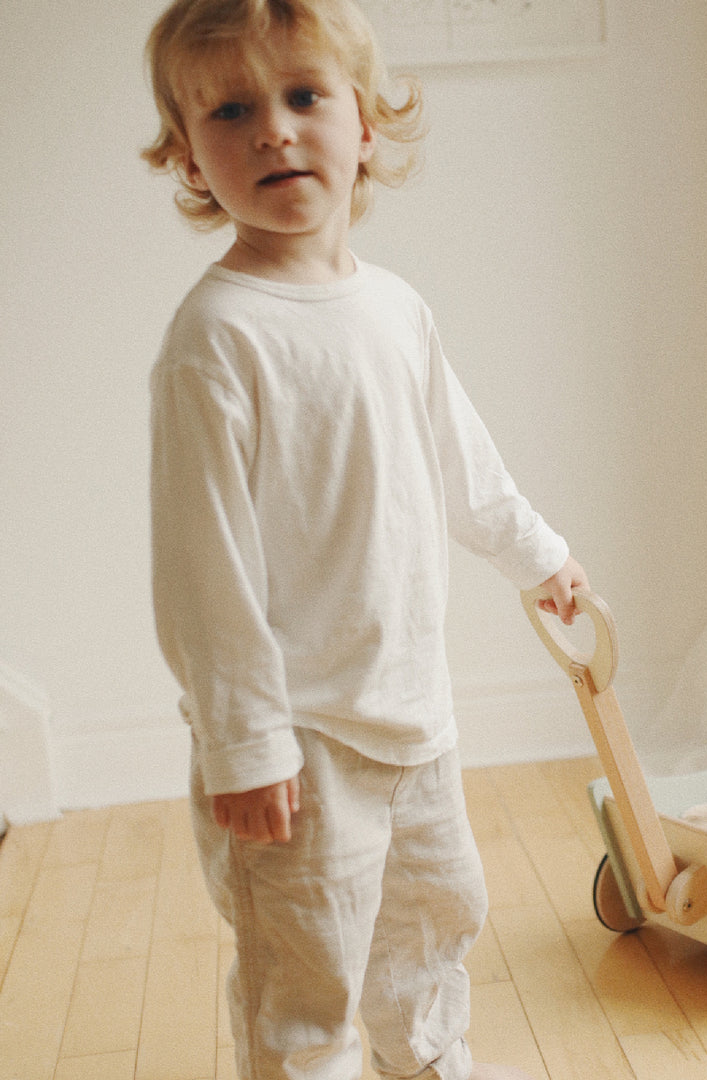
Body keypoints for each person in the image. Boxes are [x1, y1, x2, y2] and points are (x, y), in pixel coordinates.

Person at [143, 2, 587, 1078]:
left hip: (413, 712)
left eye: (304, 97)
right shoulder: (218, 340)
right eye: (233, 110)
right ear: (193, 159)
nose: (274, 132)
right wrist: (246, 744)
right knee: (311, 970)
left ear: (366, 127)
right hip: (297, 744)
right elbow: (205, 570)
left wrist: (538, 555)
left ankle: (429, 1062)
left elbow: (460, 459)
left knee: (436, 922)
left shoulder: (395, 309)